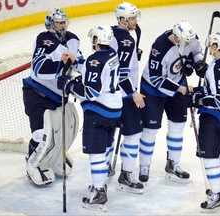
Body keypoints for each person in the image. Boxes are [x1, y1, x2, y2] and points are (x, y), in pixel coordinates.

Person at [57, 25, 122, 212]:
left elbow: (91, 92)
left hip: (99, 111)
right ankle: (100, 183)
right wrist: (76, 61)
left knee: (96, 152)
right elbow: (94, 70)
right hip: (114, 110)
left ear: (96, 40)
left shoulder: (95, 60)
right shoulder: (113, 55)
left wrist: (69, 85)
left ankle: (100, 192)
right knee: (106, 148)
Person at [138, 20, 207, 183]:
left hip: (178, 85)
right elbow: (156, 78)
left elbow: (196, 49)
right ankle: (144, 165)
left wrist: (198, 63)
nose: (189, 42)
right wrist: (180, 89)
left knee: (177, 127)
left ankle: (173, 164)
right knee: (150, 130)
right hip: (153, 90)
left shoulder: (190, 37)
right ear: (176, 37)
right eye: (185, 41)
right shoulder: (160, 47)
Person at [22, 8, 84, 185]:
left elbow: (79, 61)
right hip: (37, 94)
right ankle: (33, 162)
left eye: (64, 22)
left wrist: (83, 67)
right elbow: (38, 68)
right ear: (50, 23)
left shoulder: (72, 39)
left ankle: (55, 158)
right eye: (59, 22)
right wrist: (61, 65)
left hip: (58, 96)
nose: (63, 26)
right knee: (41, 135)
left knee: (62, 132)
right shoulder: (43, 40)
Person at [185, 31, 220, 211]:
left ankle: (218, 195)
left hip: (217, 115)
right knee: (216, 151)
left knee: (208, 154)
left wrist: (197, 100)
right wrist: (197, 90)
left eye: (211, 45)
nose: (209, 48)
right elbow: (214, 90)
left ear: (216, 46)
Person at [108, 2, 145, 193]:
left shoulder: (111, 33)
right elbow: (121, 74)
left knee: (108, 135)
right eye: (131, 18)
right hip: (123, 95)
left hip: (108, 95)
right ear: (122, 20)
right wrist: (133, 93)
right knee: (133, 134)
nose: (135, 21)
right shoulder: (126, 40)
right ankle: (126, 174)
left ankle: (103, 171)